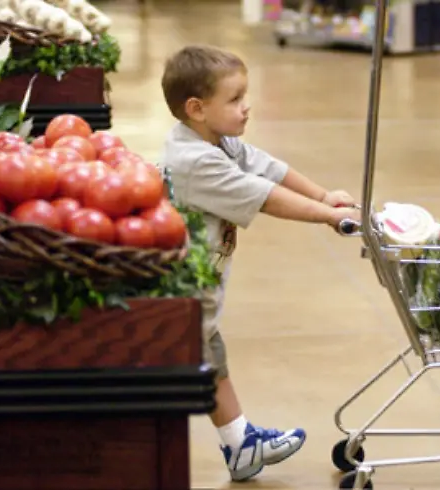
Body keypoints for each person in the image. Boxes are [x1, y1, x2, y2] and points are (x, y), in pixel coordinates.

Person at [159, 44, 362, 482]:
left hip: (201, 279)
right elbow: (264, 197)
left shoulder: (218, 139)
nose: (246, 107)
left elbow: (268, 168)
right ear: (196, 108)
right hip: (181, 284)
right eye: (234, 99)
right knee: (196, 361)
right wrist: (328, 216)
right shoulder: (195, 162)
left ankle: (240, 445)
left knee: (210, 355)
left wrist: (325, 195)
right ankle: (219, 445)